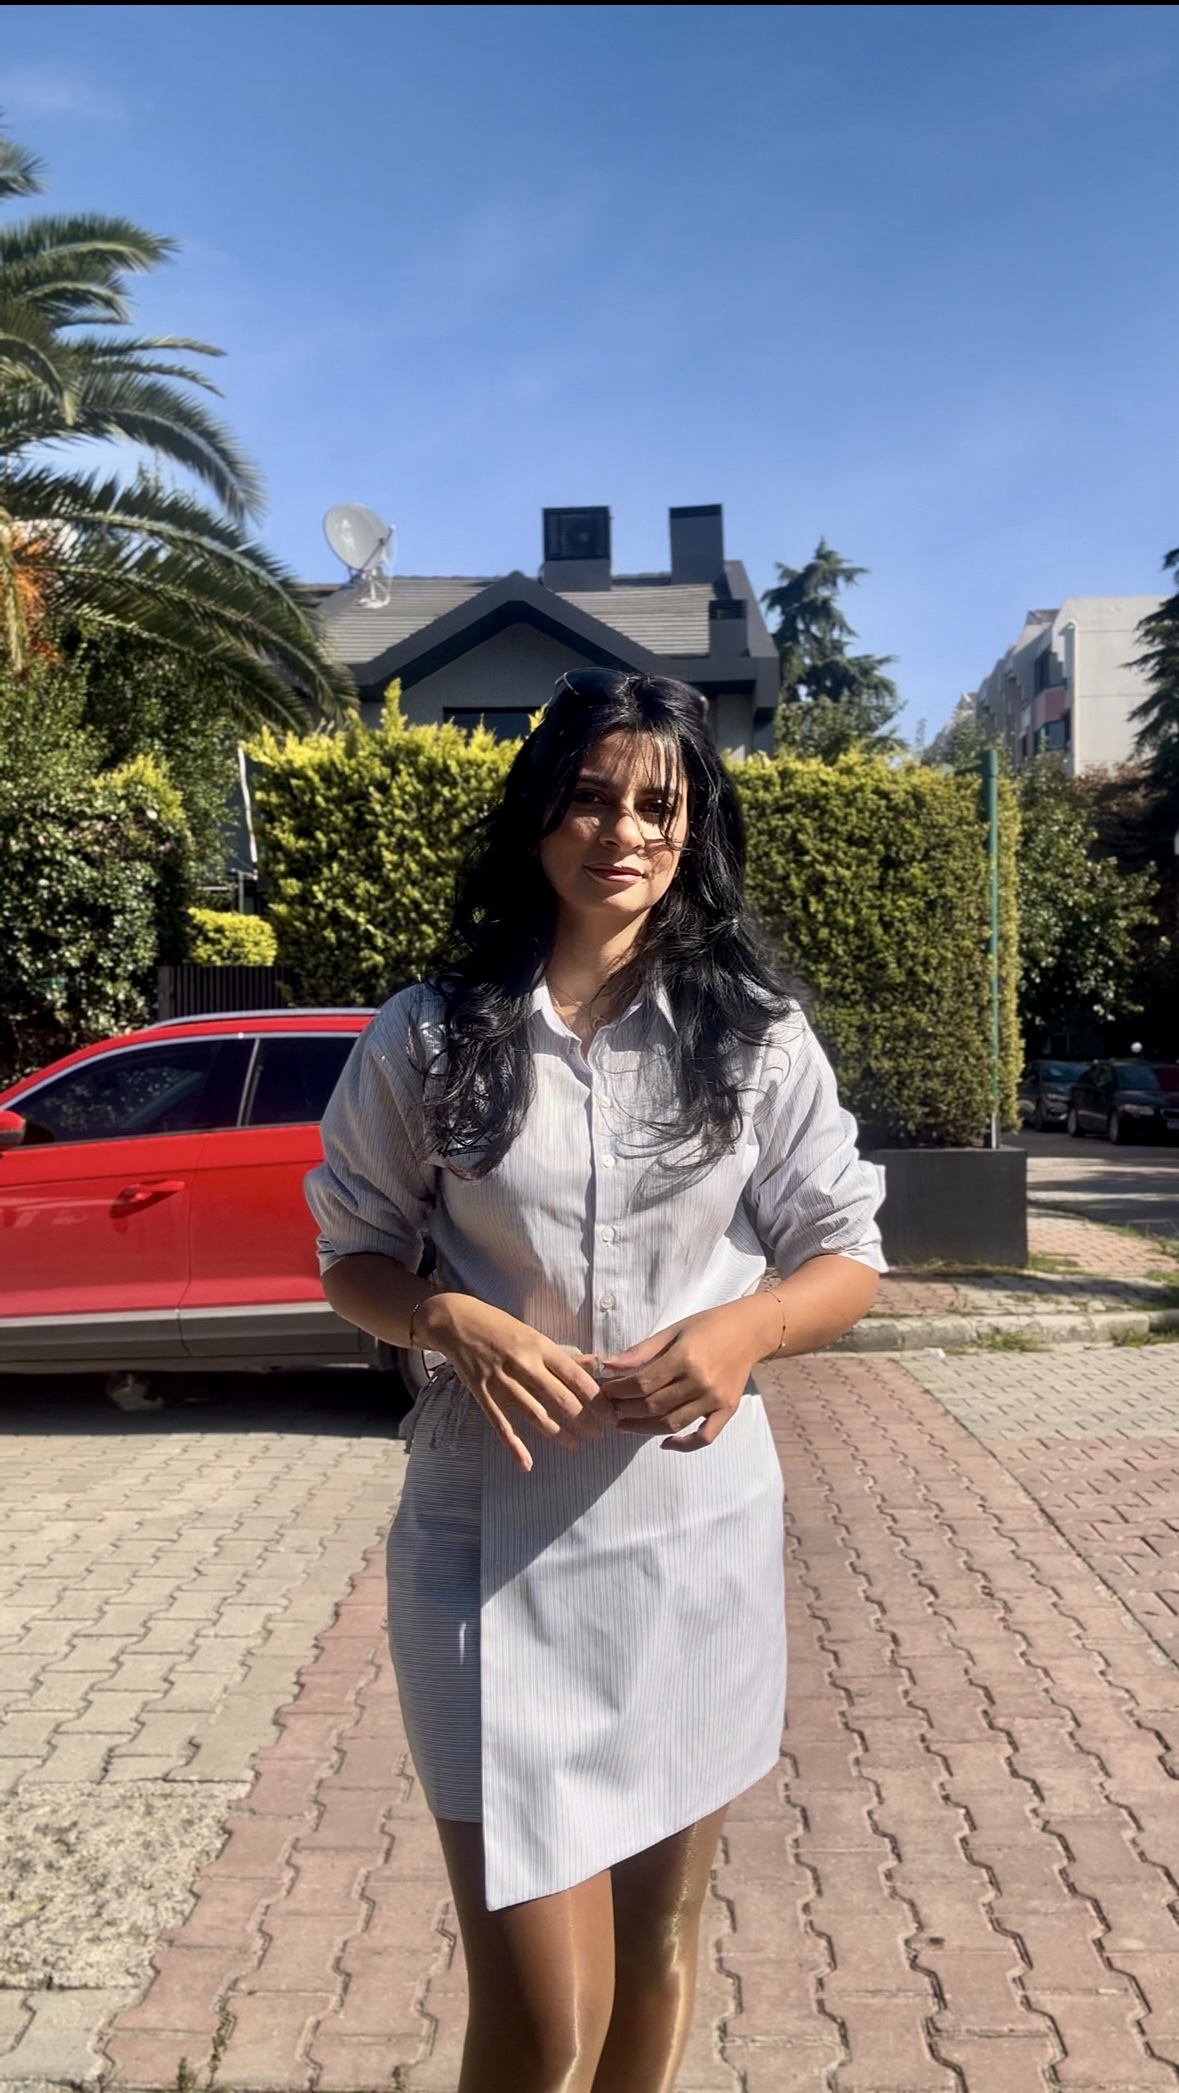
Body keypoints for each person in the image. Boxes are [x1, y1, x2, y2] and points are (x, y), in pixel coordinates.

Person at [305, 669, 883, 2093]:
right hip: (479, 1544)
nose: (623, 832)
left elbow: (848, 1252)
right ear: (538, 816)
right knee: (540, 2016)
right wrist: (446, 1318)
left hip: (689, 1541)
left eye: (657, 805)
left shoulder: (752, 1034)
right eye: (589, 796)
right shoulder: (429, 1034)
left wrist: (745, 1332)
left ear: (694, 829)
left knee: (661, 1939)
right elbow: (350, 1254)